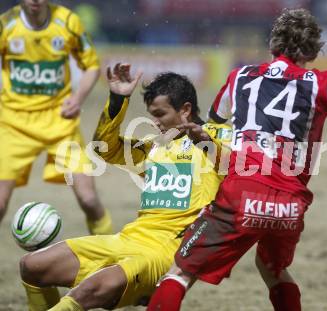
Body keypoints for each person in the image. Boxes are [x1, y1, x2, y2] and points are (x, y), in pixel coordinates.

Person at [146, 8, 327, 311]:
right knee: (272, 267)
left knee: (180, 273)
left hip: (243, 194)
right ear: (313, 50)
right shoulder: (322, 82)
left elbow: (215, 120)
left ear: (273, 44)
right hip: (290, 204)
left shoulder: (241, 77)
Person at [19, 63, 231, 310]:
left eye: (160, 114)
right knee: (31, 266)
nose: (154, 122)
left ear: (185, 110)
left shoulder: (215, 138)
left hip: (164, 254)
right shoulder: (155, 148)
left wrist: (207, 138)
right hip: (128, 238)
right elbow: (105, 149)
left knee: (88, 291)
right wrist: (119, 98)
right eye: (151, 114)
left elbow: (239, 163)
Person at [0, 0, 112, 234]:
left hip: (60, 123)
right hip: (13, 125)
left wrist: (78, 98)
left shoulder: (68, 22)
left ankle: (110, 256)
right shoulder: (6, 25)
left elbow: (92, 66)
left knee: (89, 200)